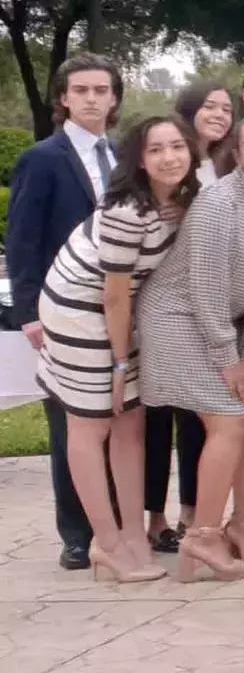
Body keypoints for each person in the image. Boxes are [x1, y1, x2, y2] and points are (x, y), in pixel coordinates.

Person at [31, 114, 195, 583]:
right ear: (139, 161)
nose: (169, 157)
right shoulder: (129, 211)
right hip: (78, 309)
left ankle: (133, 535)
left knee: (131, 423)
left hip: (120, 315)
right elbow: (114, 293)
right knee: (92, 423)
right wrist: (121, 361)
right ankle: (107, 544)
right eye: (156, 149)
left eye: (177, 146)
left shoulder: (179, 203)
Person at [137, 113, 244, 581]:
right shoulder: (218, 204)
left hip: (221, 325)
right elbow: (204, 290)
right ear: (237, 154)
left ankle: (241, 524)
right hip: (174, 320)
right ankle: (201, 535)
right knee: (230, 417)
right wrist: (229, 358)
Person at [6, 54, 123, 570]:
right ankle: (76, 534)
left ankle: (116, 524)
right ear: (64, 99)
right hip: (62, 310)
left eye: (102, 89)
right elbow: (23, 239)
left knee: (117, 421)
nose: (93, 98)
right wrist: (30, 312)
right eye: (82, 90)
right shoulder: (43, 158)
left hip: (118, 308)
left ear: (114, 97)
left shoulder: (123, 156)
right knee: (70, 423)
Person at [175, 80, 235, 187]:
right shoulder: (174, 160)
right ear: (190, 110)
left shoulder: (229, 161)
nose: (220, 115)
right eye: (209, 107)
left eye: (226, 110)